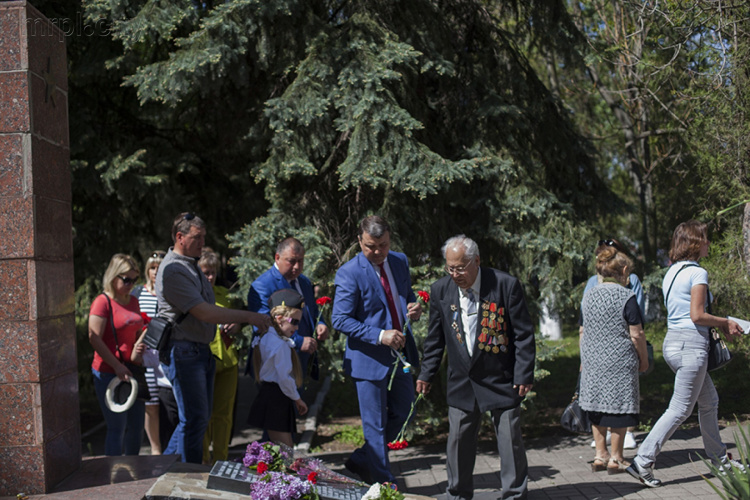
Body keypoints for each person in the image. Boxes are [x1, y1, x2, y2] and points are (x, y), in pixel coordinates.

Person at [627, 220, 745, 488]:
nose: (708, 243)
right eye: (704, 239)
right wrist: (726, 322)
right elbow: (697, 315)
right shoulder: (698, 273)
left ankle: (719, 462)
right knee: (680, 409)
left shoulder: (671, 272)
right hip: (691, 346)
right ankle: (642, 461)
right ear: (694, 242)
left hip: (674, 343)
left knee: (709, 401)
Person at [417, 235, 535, 500]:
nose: (455, 274)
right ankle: (458, 493)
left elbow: (523, 335)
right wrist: (426, 373)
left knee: (509, 439)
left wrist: (524, 373)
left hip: (501, 376)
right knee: (458, 441)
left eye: (460, 267)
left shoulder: (505, 285)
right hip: (462, 378)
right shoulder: (441, 290)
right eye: (450, 268)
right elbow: (435, 339)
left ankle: (515, 494)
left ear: (476, 261)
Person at [156, 212, 271, 463]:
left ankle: (159, 471)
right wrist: (249, 317)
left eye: (203, 237)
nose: (202, 243)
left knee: (196, 419)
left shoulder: (189, 264)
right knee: (194, 421)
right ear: (180, 237)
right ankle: (187, 478)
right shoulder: (173, 270)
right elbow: (203, 312)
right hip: (184, 352)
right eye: (197, 237)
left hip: (198, 351)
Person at [331, 215, 423, 484]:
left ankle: (362, 458)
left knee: (406, 412)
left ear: (389, 238)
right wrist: (380, 335)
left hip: (400, 355)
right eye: (371, 246)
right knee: (375, 425)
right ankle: (384, 483)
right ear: (360, 240)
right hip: (368, 358)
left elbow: (405, 297)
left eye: (382, 245)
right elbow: (340, 319)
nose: (378, 252)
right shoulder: (349, 272)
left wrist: (413, 307)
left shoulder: (399, 261)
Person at [579, 246, 649, 474]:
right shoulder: (626, 296)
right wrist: (644, 359)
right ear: (624, 270)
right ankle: (616, 459)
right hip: (619, 360)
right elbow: (636, 333)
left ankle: (600, 455)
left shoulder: (588, 295)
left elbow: (581, 330)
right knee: (620, 408)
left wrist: (583, 358)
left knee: (596, 406)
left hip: (592, 359)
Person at [88, 253, 146, 456]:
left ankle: (135, 473)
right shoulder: (102, 302)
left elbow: (136, 331)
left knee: (137, 426)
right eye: (126, 279)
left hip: (132, 371)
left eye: (134, 279)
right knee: (117, 427)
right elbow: (94, 337)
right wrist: (116, 366)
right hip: (108, 373)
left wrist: (140, 343)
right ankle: (113, 480)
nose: (131, 284)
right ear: (113, 277)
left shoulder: (133, 301)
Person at [247, 237, 329, 378]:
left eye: (300, 261)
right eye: (291, 261)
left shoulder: (304, 282)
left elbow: (312, 310)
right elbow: (264, 325)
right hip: (274, 363)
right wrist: (298, 341)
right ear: (277, 258)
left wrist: (320, 323)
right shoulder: (262, 285)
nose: (297, 266)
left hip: (302, 361)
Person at [248, 289, 309, 447]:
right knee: (285, 451)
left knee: (278, 449)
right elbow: (284, 377)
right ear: (279, 318)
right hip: (278, 398)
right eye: (294, 322)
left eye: (298, 322)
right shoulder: (280, 344)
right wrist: (297, 398)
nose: (296, 327)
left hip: (271, 395)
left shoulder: (267, 337)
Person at [199, 249, 241, 464]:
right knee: (204, 416)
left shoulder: (225, 295)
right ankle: (204, 461)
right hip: (204, 361)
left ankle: (222, 459)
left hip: (228, 361)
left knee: (224, 415)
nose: (210, 277)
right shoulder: (192, 297)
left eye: (212, 272)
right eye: (205, 272)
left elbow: (238, 321)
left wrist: (236, 325)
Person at [133, 250, 166, 455]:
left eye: (159, 267)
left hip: (165, 354)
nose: (155, 271)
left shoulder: (169, 293)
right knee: (151, 404)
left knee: (169, 403)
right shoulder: (138, 292)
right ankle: (156, 449)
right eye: (152, 268)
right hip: (145, 356)